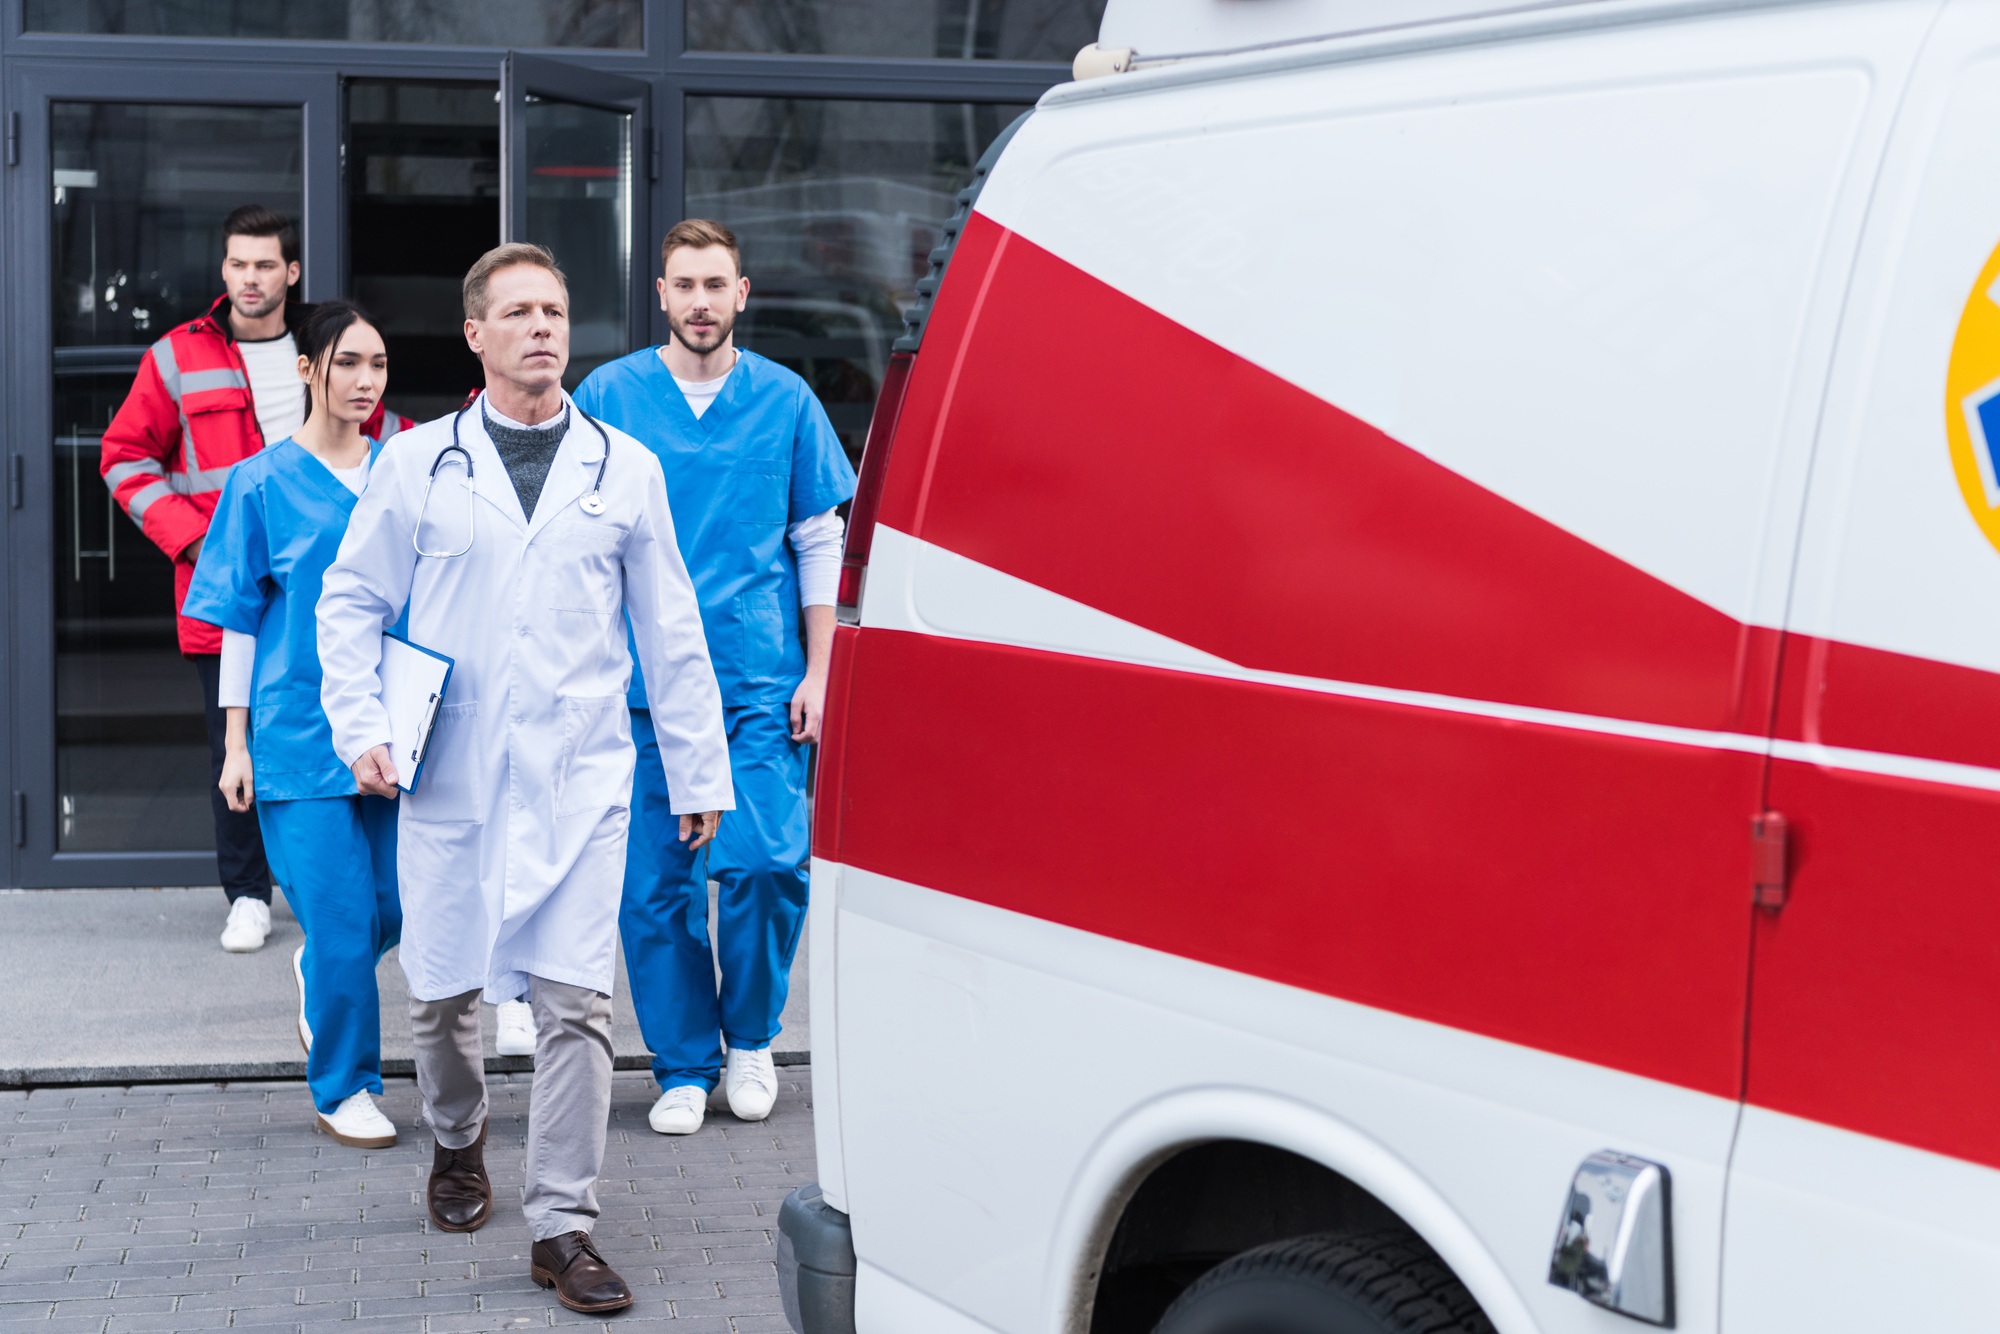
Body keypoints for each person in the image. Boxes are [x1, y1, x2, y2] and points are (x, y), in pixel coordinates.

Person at [316, 243, 731, 1315]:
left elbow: (670, 627)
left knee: (576, 1005)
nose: (542, 326)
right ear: (475, 334)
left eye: (553, 308)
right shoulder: (417, 465)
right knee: (442, 995)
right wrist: (360, 724)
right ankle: (457, 1140)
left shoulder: (623, 466)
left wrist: (697, 766)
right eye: (518, 312)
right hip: (449, 772)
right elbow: (349, 602)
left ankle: (562, 1224)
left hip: (580, 780)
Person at [574, 219, 855, 1136]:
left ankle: (751, 1039)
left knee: (768, 865)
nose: (700, 301)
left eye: (715, 284)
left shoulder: (785, 400)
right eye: (683, 284)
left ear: (743, 293)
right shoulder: (610, 396)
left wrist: (820, 669)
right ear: (660, 294)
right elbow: (573, 546)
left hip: (758, 678)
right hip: (641, 689)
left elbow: (818, 539)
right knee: (653, 887)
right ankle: (684, 1064)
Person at [100, 204, 413, 955]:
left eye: (265, 264)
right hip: (232, 587)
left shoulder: (325, 346)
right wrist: (197, 541)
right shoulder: (178, 356)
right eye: (237, 263)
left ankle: (329, 906)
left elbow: (371, 436)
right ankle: (246, 893)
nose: (250, 278)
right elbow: (124, 459)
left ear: (290, 272)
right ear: (222, 270)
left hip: (321, 585)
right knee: (237, 745)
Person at [181, 300, 402, 1149]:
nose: (364, 381)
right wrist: (235, 743)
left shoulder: (404, 473)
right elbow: (237, 617)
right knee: (345, 921)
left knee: (397, 909)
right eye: (348, 363)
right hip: (297, 735)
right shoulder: (261, 482)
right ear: (309, 370)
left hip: (390, 735)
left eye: (377, 366)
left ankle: (320, 973)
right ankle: (345, 1085)